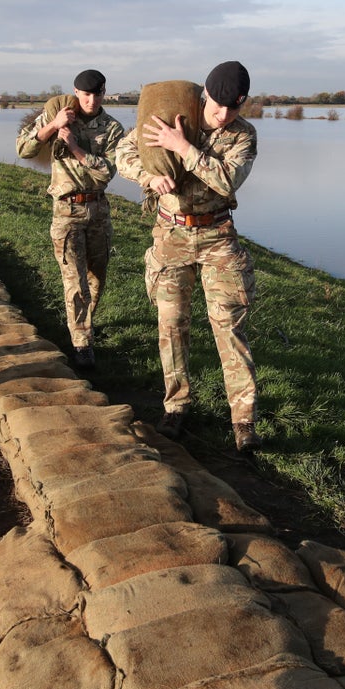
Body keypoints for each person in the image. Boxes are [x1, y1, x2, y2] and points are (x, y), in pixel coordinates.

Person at [116, 61, 261, 451]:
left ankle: (243, 420)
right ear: (204, 97)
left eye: (233, 109)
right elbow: (124, 153)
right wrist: (147, 176)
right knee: (171, 324)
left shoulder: (243, 136)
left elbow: (227, 180)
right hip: (171, 235)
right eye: (217, 107)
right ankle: (176, 406)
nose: (223, 116)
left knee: (229, 326)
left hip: (217, 236)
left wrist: (183, 147)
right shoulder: (170, 115)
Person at [16, 69, 126, 369]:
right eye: (86, 94)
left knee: (96, 276)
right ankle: (82, 343)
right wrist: (53, 126)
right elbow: (24, 149)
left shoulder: (112, 128)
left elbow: (106, 172)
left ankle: (83, 324)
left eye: (97, 94)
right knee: (74, 280)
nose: (91, 100)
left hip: (98, 210)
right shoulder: (58, 115)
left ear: (104, 94)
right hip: (66, 211)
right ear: (76, 92)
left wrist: (75, 147)